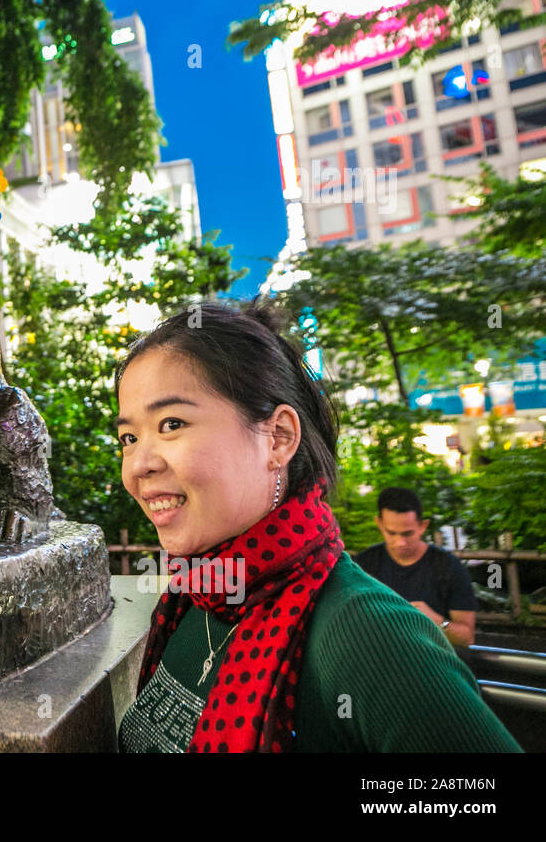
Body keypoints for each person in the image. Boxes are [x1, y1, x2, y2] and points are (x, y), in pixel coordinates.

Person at [114, 302, 518, 753]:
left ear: (280, 437)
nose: (138, 466)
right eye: (129, 437)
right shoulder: (195, 595)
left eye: (171, 424)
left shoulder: (368, 635)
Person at [355, 487, 477, 648]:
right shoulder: (363, 566)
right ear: (379, 524)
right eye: (391, 533)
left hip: (433, 664)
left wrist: (437, 622)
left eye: (407, 534)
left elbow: (466, 637)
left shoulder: (448, 567)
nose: (400, 542)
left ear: (423, 526)